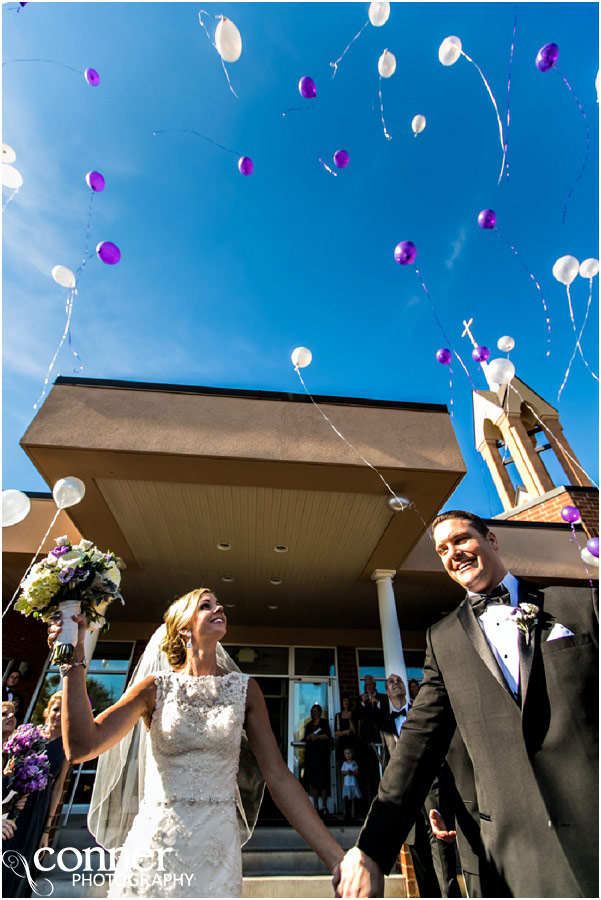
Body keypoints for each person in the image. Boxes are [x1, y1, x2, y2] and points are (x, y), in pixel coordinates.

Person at [339, 510, 598, 898]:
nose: (452, 554)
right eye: (442, 550)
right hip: (512, 857)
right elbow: (417, 745)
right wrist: (371, 849)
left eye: (460, 540)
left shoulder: (579, 605)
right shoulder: (442, 640)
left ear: (492, 540)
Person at [48, 588, 344, 898]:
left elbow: (279, 777)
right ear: (184, 627)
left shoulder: (245, 690)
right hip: (156, 846)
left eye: (219, 605)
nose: (220, 609)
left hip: (216, 854)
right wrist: (74, 657)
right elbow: (82, 746)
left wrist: (337, 859)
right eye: (206, 605)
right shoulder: (154, 688)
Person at [379, 673, 461, 899]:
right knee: (420, 861)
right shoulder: (385, 723)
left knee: (443, 858)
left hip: (433, 789)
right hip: (407, 800)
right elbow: (388, 764)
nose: (396, 684)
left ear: (405, 688)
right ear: (387, 692)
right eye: (391, 683)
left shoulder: (421, 709)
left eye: (399, 681)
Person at [2, 692, 70, 898]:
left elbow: (58, 787)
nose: (59, 714)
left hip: (38, 811)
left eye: (64, 711)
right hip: (16, 802)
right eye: (56, 709)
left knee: (22, 862)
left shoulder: (68, 745)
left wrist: (46, 828)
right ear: (47, 711)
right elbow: (8, 769)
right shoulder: (29, 735)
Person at [356, 675, 385, 804]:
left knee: (382, 770)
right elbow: (357, 715)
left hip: (382, 738)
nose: (368, 687)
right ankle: (370, 801)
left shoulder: (382, 698)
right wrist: (363, 703)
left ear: (375, 685)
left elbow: (386, 714)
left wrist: (377, 704)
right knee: (369, 773)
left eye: (370, 685)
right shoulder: (361, 699)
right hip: (367, 741)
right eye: (366, 685)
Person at [303, 703, 333, 818]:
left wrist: (318, 737)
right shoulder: (309, 725)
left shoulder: (324, 723)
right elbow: (306, 737)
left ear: (320, 712)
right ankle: (315, 806)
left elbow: (327, 736)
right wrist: (309, 737)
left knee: (324, 782)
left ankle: (324, 806)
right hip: (313, 756)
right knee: (315, 783)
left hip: (323, 755)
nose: (315, 713)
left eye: (316, 711)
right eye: (313, 711)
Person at [334, 693, 359, 763]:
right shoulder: (338, 716)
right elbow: (335, 733)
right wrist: (345, 732)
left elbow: (354, 731)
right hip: (342, 744)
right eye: (344, 700)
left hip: (352, 744)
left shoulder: (353, 714)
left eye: (347, 700)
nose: (346, 702)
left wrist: (350, 719)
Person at [340, 747, 361, 821]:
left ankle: (353, 813)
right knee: (347, 799)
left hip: (353, 783)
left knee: (353, 799)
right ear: (344, 755)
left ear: (352, 754)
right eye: (346, 753)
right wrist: (346, 772)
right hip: (347, 784)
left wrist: (352, 772)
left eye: (349, 753)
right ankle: (347, 813)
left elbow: (356, 772)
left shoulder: (354, 763)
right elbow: (342, 772)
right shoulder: (344, 763)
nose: (348, 755)